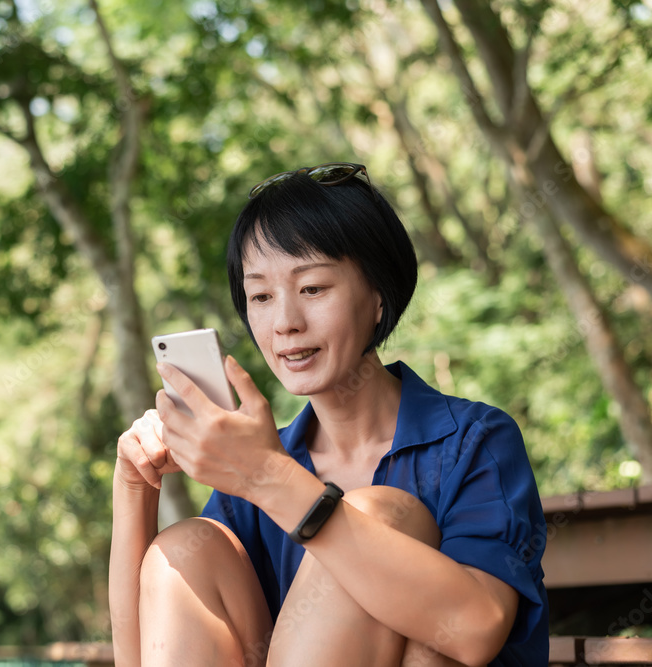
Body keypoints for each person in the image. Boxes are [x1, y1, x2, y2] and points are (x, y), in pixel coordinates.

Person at [109, 163, 548, 667]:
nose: (285, 323)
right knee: (188, 545)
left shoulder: (472, 441)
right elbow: (135, 659)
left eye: (312, 288)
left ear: (378, 295)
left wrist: (269, 477)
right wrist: (134, 487)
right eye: (261, 296)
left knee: (381, 515)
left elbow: (475, 629)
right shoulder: (255, 475)